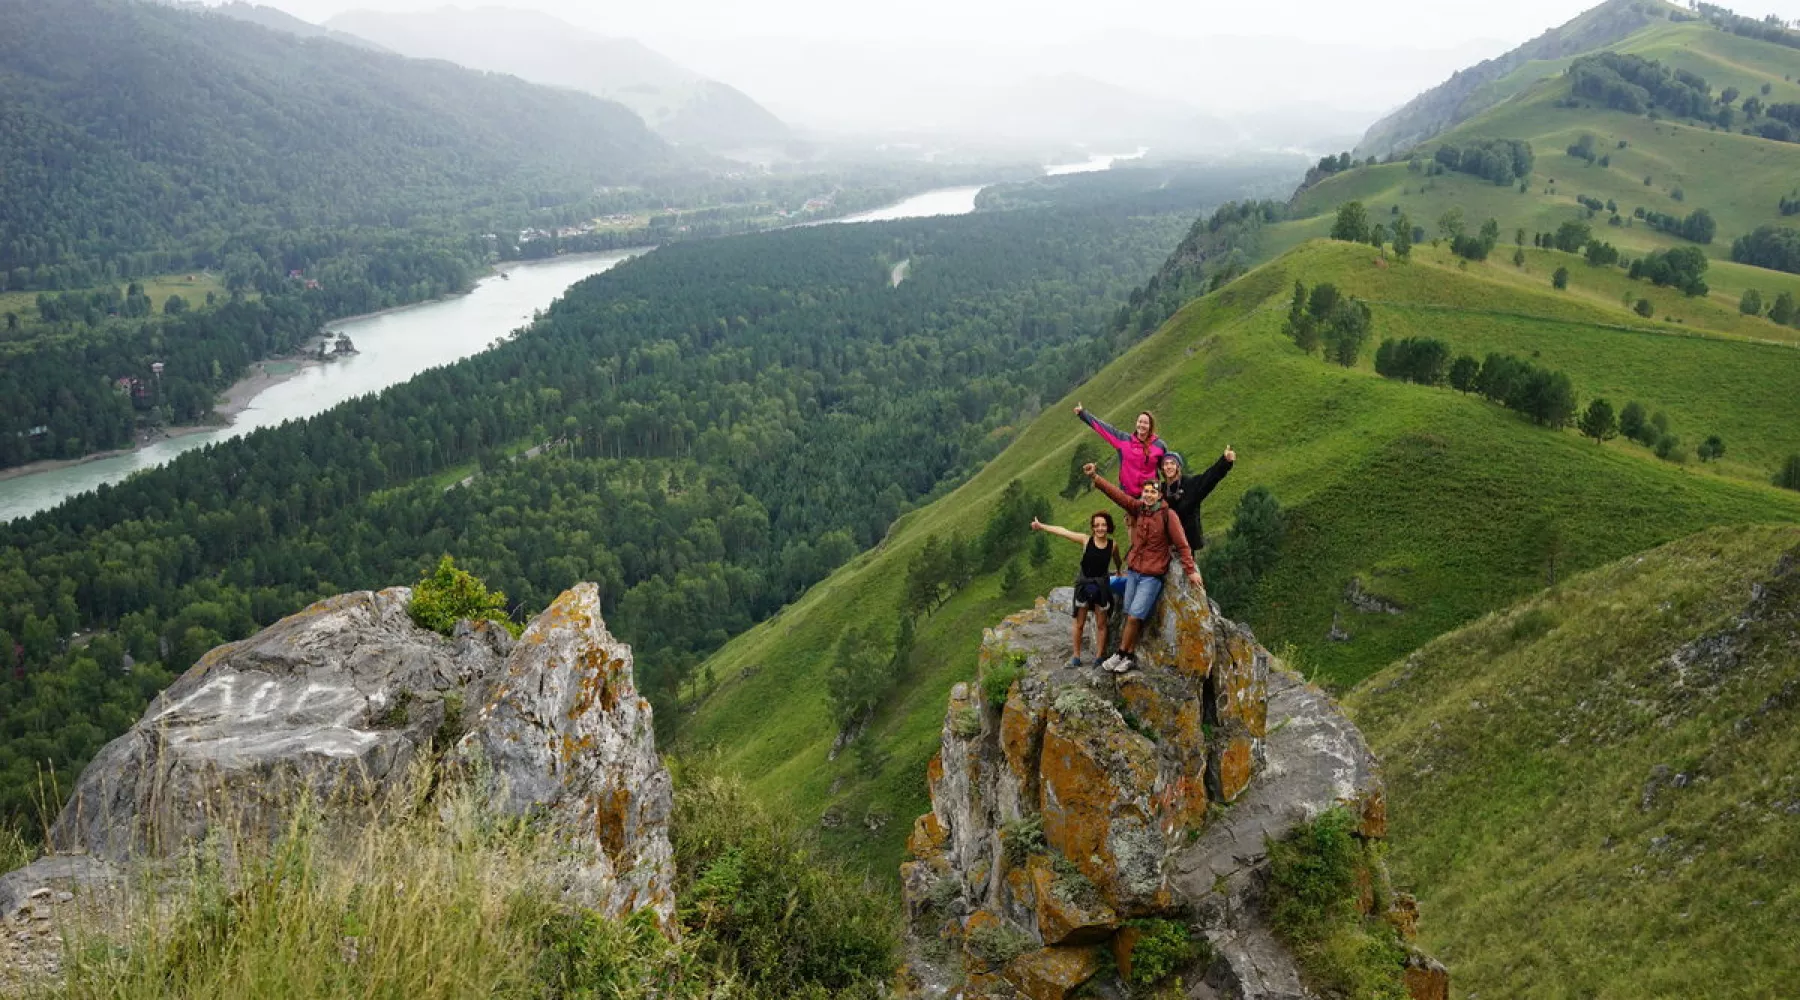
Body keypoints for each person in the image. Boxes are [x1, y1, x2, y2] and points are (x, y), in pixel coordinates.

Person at [1084, 462, 1202, 672]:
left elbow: (1183, 544)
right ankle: (1128, 655)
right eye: (1145, 492)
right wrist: (1096, 479)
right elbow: (1118, 496)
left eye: (1152, 492)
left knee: (1134, 615)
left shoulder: (1168, 516)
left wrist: (1191, 570)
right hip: (1134, 571)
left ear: (1159, 495)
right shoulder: (1139, 509)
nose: (1147, 495)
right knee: (1130, 612)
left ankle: (1121, 653)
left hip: (1152, 576)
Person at [1030, 512, 1123, 666]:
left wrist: (1119, 571)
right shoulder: (1086, 540)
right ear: (1093, 528)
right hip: (1084, 585)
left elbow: (1117, 560)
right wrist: (1042, 526)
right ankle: (1076, 656)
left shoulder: (1113, 545)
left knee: (1101, 624)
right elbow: (1063, 531)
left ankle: (1099, 657)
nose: (1101, 528)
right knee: (1079, 624)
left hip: (1101, 586)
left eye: (1104, 525)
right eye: (1097, 525)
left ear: (1108, 526)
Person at [1074, 404, 1166, 498]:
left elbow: (1167, 469)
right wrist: (1083, 414)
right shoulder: (1123, 440)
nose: (1142, 425)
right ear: (1136, 423)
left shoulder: (1159, 446)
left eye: (1146, 423)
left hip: (1152, 495)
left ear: (1150, 426)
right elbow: (1103, 428)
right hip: (1129, 497)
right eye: (1140, 422)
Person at [1157, 446, 1237, 551]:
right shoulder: (1160, 491)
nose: (1169, 467)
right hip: (1166, 546)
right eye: (1166, 464)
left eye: (1172, 463)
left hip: (1187, 545)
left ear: (1178, 466)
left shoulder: (1190, 484)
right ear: (1162, 468)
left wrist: (1225, 462)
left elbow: (1209, 478)